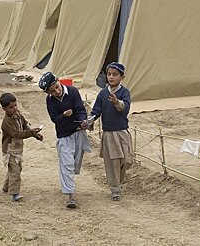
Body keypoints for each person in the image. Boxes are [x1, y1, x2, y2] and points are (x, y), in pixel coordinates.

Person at [39, 71, 91, 209]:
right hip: (64, 135)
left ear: (58, 80)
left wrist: (82, 121)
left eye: (57, 86)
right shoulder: (50, 101)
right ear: (48, 93)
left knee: (75, 162)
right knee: (66, 163)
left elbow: (80, 109)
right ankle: (70, 196)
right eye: (52, 91)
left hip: (78, 132)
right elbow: (55, 119)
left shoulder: (73, 92)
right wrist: (63, 115)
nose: (57, 91)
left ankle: (68, 184)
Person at [83, 62, 132, 201]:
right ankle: (115, 189)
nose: (111, 77)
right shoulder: (103, 94)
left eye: (115, 75)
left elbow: (126, 108)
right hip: (109, 133)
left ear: (122, 77)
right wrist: (89, 121)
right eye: (109, 74)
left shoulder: (125, 92)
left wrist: (117, 102)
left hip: (122, 132)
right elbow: (96, 111)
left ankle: (119, 182)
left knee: (126, 160)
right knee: (112, 162)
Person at [0, 92, 43, 202]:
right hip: (10, 150)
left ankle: (6, 187)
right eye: (11, 107)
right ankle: (15, 193)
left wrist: (35, 134)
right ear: (4, 109)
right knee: (15, 171)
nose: (14, 108)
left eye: (15, 105)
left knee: (16, 169)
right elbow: (17, 134)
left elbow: (25, 125)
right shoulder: (6, 122)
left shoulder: (18, 115)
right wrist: (30, 132)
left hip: (18, 149)